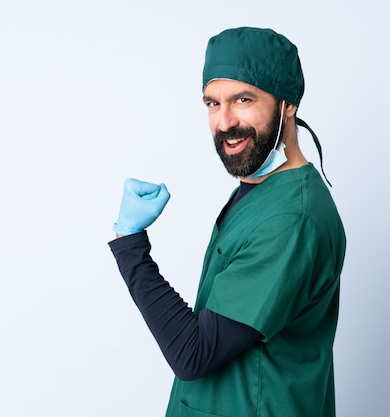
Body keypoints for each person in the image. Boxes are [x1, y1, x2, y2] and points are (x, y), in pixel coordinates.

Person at [109, 27, 346, 417]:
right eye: (212, 103)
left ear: (288, 103)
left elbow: (193, 353)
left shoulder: (292, 220)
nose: (223, 122)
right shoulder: (262, 188)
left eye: (243, 99)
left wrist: (130, 244)